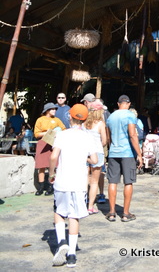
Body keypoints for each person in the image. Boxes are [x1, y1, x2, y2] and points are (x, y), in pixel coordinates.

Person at [49, 103, 98, 268]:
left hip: (62, 180)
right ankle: (71, 256)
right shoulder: (87, 137)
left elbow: (53, 157)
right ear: (84, 119)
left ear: (70, 116)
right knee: (74, 216)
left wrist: (51, 174)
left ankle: (61, 240)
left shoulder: (62, 135)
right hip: (79, 183)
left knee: (59, 212)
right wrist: (85, 158)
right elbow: (95, 160)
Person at [105, 95, 143, 223]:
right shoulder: (130, 115)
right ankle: (125, 213)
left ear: (118, 103)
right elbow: (132, 135)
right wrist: (139, 154)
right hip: (127, 153)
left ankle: (111, 212)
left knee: (112, 181)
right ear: (129, 103)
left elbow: (108, 137)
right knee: (128, 182)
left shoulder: (110, 117)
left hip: (113, 152)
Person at [34, 103, 66, 196]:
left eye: (55, 109)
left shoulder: (57, 120)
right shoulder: (40, 120)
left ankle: (51, 186)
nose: (54, 111)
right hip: (43, 143)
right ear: (47, 110)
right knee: (41, 166)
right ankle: (40, 187)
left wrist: (57, 133)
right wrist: (47, 133)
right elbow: (36, 134)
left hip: (54, 143)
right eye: (52, 109)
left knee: (53, 165)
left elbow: (64, 129)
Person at [84, 100, 107, 214]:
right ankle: (90, 206)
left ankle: (83, 201)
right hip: (97, 152)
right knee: (94, 182)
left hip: (85, 153)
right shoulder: (101, 123)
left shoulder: (84, 123)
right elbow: (104, 141)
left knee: (85, 178)